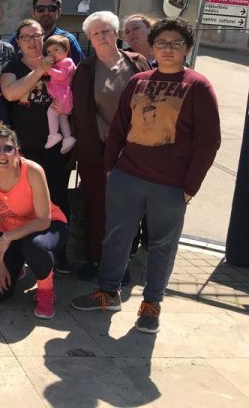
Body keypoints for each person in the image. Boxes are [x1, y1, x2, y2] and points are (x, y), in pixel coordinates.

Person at [71, 18, 220, 334]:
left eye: (175, 43)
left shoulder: (198, 86)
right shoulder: (139, 81)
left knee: (162, 247)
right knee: (116, 238)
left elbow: (209, 142)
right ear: (152, 47)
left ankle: (151, 305)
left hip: (171, 185)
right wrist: (111, 168)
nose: (168, 49)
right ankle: (109, 293)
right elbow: (119, 129)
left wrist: (190, 186)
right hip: (127, 177)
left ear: (187, 48)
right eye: (162, 43)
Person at [71, 11, 150, 279]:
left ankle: (120, 263)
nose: (101, 37)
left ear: (116, 33)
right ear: (90, 40)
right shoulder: (85, 69)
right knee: (97, 205)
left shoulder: (138, 64)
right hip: (98, 151)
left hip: (134, 150)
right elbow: (81, 112)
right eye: (96, 33)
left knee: (127, 210)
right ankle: (95, 259)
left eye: (106, 31)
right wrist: (110, 133)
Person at [0, 125, 68, 319]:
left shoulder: (33, 171)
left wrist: (7, 238)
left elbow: (43, 220)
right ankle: (16, 265)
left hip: (48, 227)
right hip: (13, 232)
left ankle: (46, 291)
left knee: (35, 246)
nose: (2, 154)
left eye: (8, 148)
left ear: (17, 151)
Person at [0, 20, 71, 272]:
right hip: (23, 148)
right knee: (22, 203)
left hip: (54, 145)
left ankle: (56, 251)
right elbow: (10, 93)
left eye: (37, 36)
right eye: (26, 37)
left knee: (57, 198)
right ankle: (20, 253)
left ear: (44, 38)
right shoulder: (13, 66)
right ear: (18, 42)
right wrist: (39, 71)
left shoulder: (59, 61)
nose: (32, 41)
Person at [8, 0, 84, 63]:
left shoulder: (67, 40)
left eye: (51, 8)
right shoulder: (19, 37)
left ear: (59, 12)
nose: (46, 12)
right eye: (41, 9)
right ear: (33, 12)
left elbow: (80, 70)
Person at [43, 35, 77, 154]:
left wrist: (49, 69)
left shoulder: (67, 61)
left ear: (66, 50)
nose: (52, 53)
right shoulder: (59, 62)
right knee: (62, 117)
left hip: (62, 94)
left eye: (56, 50)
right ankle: (68, 138)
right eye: (49, 51)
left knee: (51, 112)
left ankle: (54, 134)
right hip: (61, 93)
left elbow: (62, 75)